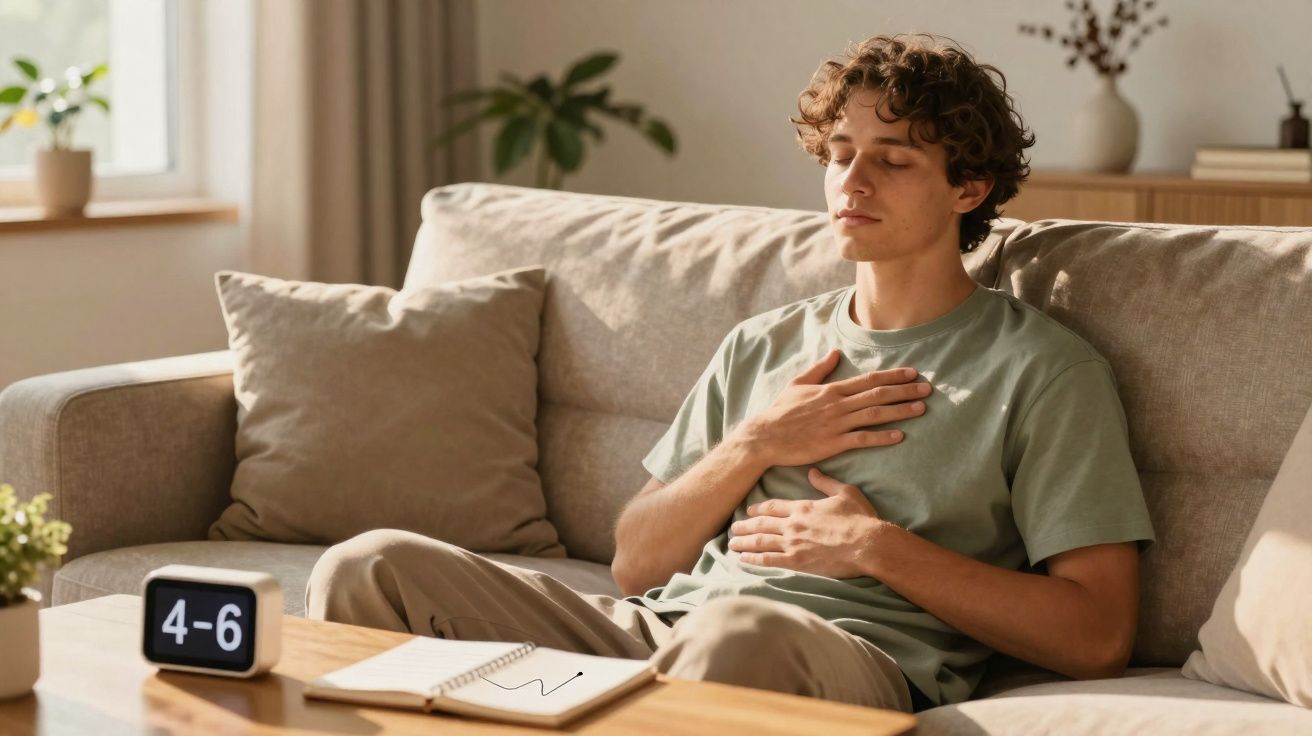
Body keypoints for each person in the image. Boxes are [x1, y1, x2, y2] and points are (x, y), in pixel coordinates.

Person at [306, 32, 1156, 715]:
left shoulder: (1043, 371)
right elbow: (636, 565)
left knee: (735, 637)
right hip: (664, 632)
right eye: (840, 154)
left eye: (892, 160)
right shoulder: (763, 342)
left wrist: (876, 548)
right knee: (368, 567)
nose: (852, 182)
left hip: (845, 657)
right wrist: (756, 442)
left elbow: (1096, 634)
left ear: (968, 188)